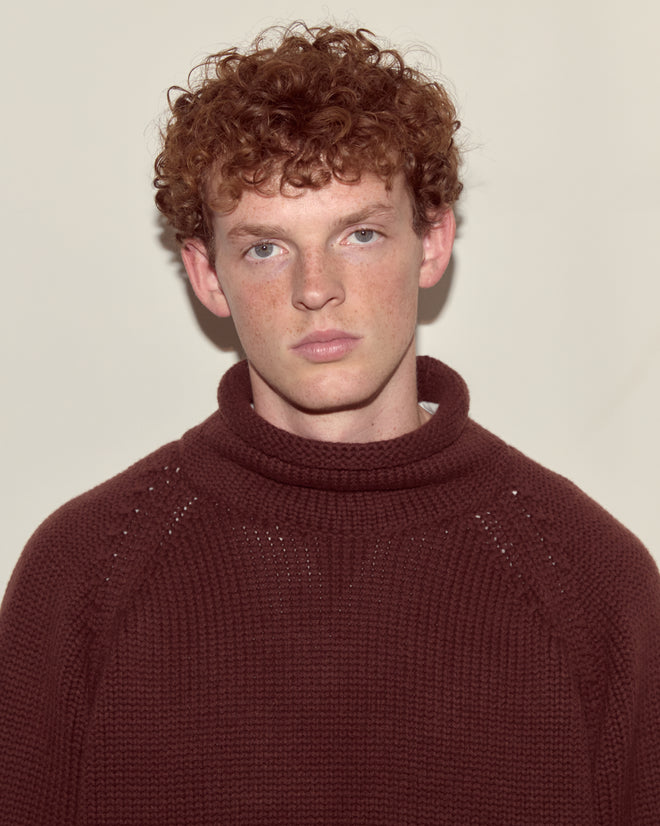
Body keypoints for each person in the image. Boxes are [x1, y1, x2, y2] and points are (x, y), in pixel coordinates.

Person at [1, 22, 658, 825]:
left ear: (433, 242)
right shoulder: (81, 579)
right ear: (208, 274)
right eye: (267, 249)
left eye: (361, 234)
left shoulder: (596, 586)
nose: (318, 288)